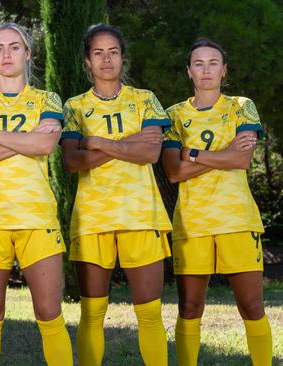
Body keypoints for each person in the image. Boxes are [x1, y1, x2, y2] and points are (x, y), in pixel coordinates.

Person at [0, 22, 72, 366]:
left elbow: (46, 144)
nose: (7, 54)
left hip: (37, 218)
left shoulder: (46, 99)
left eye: (14, 47)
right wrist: (26, 139)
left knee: (49, 313)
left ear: (28, 53)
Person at [60, 24, 172, 366]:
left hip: (142, 215)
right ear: (87, 61)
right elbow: (72, 161)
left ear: (123, 57)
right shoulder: (74, 106)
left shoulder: (145, 99)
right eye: (98, 53)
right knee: (92, 312)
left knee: (150, 313)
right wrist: (129, 143)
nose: (106, 59)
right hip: (93, 218)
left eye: (113, 52)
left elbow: (152, 153)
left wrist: (97, 142)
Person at [162, 39, 272, 366]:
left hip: (236, 219)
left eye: (213, 63)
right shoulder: (173, 115)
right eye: (198, 63)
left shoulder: (241, 106)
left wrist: (193, 153)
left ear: (224, 70)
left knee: (252, 307)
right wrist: (225, 154)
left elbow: (242, 161)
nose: (206, 69)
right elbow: (173, 172)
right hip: (192, 223)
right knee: (190, 308)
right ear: (188, 71)